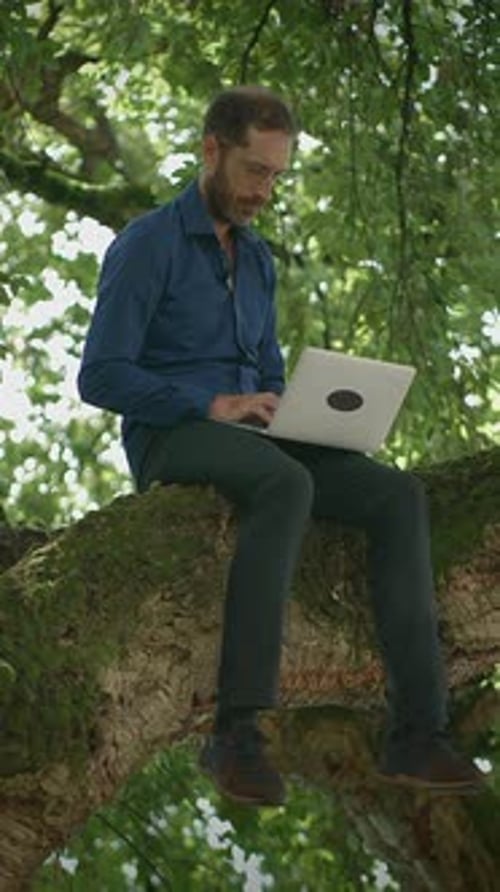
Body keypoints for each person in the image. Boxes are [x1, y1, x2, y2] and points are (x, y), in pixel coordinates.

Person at [78, 85, 484, 805]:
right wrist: (210, 403)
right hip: (171, 437)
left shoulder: (259, 262)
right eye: (254, 171)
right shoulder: (148, 243)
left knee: (396, 493)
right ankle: (235, 733)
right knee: (284, 484)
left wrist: (290, 412)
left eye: (275, 176)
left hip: (255, 440)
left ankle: (418, 733)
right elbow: (101, 374)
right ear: (212, 151)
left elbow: (264, 373)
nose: (264, 190)